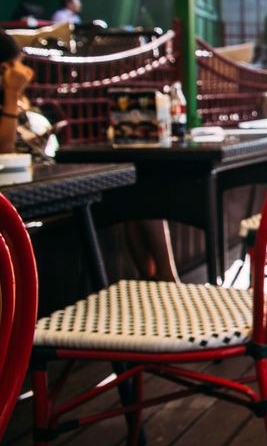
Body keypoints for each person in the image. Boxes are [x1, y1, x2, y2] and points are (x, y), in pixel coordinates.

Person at [0, 31, 179, 281]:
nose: (19, 70)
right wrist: (10, 96)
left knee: (139, 197)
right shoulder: (9, 99)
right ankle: (166, 280)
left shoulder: (21, 100)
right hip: (26, 194)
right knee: (135, 198)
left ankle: (160, 279)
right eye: (11, 65)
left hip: (51, 178)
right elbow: (4, 150)